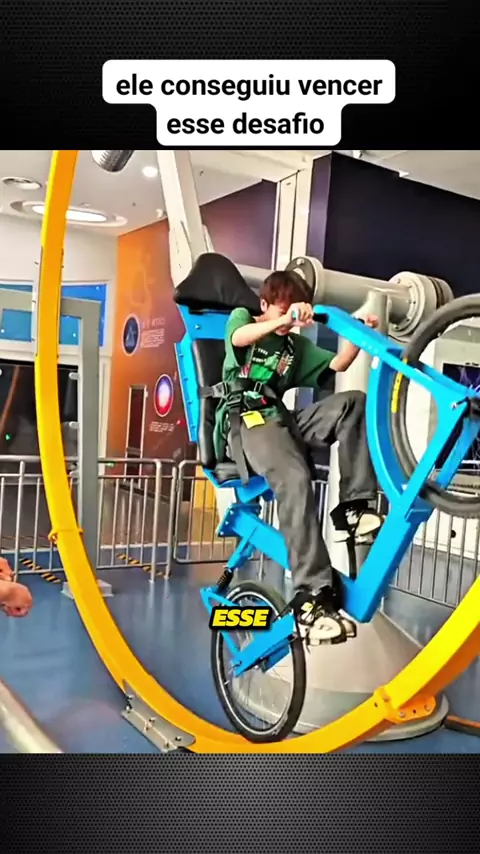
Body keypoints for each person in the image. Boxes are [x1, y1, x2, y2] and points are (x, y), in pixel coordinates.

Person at [213, 269, 384, 645]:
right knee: (294, 478)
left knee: (352, 404)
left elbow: (338, 365)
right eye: (282, 310)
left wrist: (357, 334)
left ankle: (354, 508)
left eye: (295, 310)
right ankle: (310, 594)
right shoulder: (244, 320)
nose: (289, 318)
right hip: (246, 421)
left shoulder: (294, 347)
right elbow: (239, 337)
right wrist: (283, 320)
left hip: (282, 420)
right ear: (264, 305)